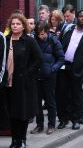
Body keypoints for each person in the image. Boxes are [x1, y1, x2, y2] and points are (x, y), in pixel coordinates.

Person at [5, 13, 43, 148]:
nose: (15, 26)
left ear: (23, 26)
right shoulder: (5, 39)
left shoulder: (29, 40)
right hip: (8, 83)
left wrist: (27, 74)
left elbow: (38, 59)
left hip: (24, 84)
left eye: (18, 24)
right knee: (12, 113)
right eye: (13, 24)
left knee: (23, 112)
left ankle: (22, 140)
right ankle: (14, 140)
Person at [56, 9, 83, 130]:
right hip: (62, 67)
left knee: (76, 95)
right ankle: (63, 119)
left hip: (77, 69)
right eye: (81, 16)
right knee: (61, 94)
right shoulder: (67, 29)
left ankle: (76, 119)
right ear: (77, 17)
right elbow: (59, 44)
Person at [31, 22, 64, 135]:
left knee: (50, 102)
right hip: (36, 76)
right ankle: (39, 125)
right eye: (39, 34)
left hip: (49, 76)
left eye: (43, 34)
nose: (41, 36)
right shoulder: (33, 40)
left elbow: (61, 58)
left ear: (47, 31)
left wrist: (52, 69)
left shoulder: (53, 41)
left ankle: (51, 125)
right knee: (37, 102)